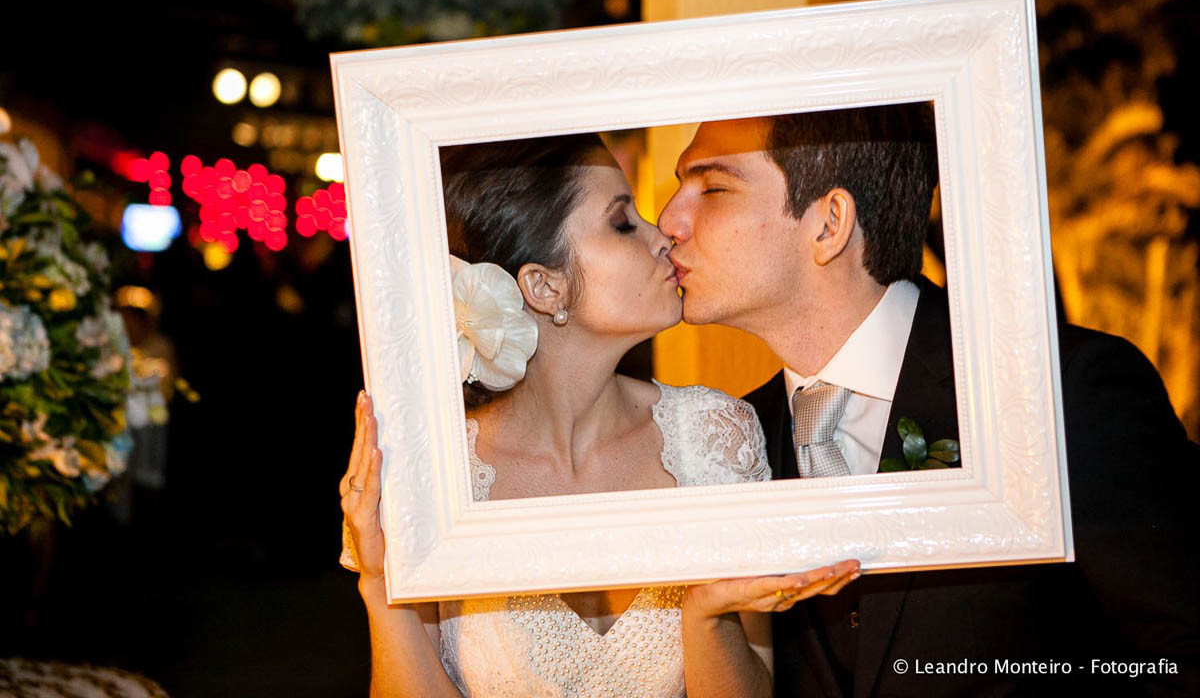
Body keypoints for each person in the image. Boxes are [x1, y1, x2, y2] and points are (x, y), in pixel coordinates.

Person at [657, 103, 1200, 695]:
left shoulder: (1059, 390)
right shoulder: (730, 442)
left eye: (712, 186)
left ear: (829, 223)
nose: (668, 219)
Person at [340, 133, 861, 698]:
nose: (663, 236)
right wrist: (379, 584)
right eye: (622, 223)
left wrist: (706, 614)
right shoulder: (439, 471)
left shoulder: (716, 436)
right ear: (544, 286)